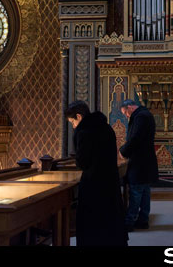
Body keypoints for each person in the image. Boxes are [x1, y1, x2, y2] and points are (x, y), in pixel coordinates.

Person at [64, 100, 129, 246]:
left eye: (72, 122)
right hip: (110, 182)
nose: (73, 126)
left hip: (93, 184)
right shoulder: (106, 127)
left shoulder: (84, 132)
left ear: (79, 117)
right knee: (110, 222)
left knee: (92, 225)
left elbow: (82, 162)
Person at [119, 99, 159, 232]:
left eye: (125, 113)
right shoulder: (144, 114)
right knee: (144, 191)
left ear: (129, 107)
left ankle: (129, 222)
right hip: (145, 160)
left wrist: (123, 151)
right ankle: (143, 220)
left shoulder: (140, 117)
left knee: (136, 192)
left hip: (140, 161)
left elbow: (135, 138)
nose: (126, 116)